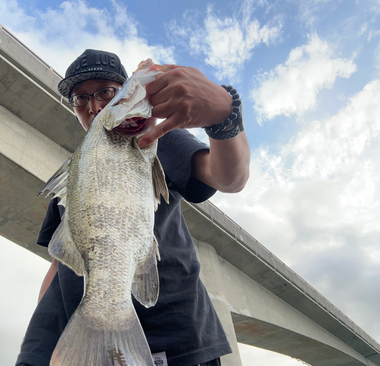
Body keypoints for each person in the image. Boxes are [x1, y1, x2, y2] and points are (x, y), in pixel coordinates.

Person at [16, 49, 250, 366]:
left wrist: (225, 117)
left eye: (107, 92)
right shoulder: (74, 176)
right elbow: (60, 264)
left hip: (177, 344)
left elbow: (229, 178)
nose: (94, 105)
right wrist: (41, 339)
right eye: (80, 99)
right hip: (89, 345)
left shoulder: (157, 138)